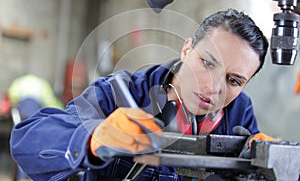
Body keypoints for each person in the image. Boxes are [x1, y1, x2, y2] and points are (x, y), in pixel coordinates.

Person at [10, 9, 277, 181]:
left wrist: (266, 163)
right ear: (187, 50)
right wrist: (91, 138)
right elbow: (26, 143)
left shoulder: (240, 111)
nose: (213, 87)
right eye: (207, 63)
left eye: (233, 80)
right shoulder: (120, 92)